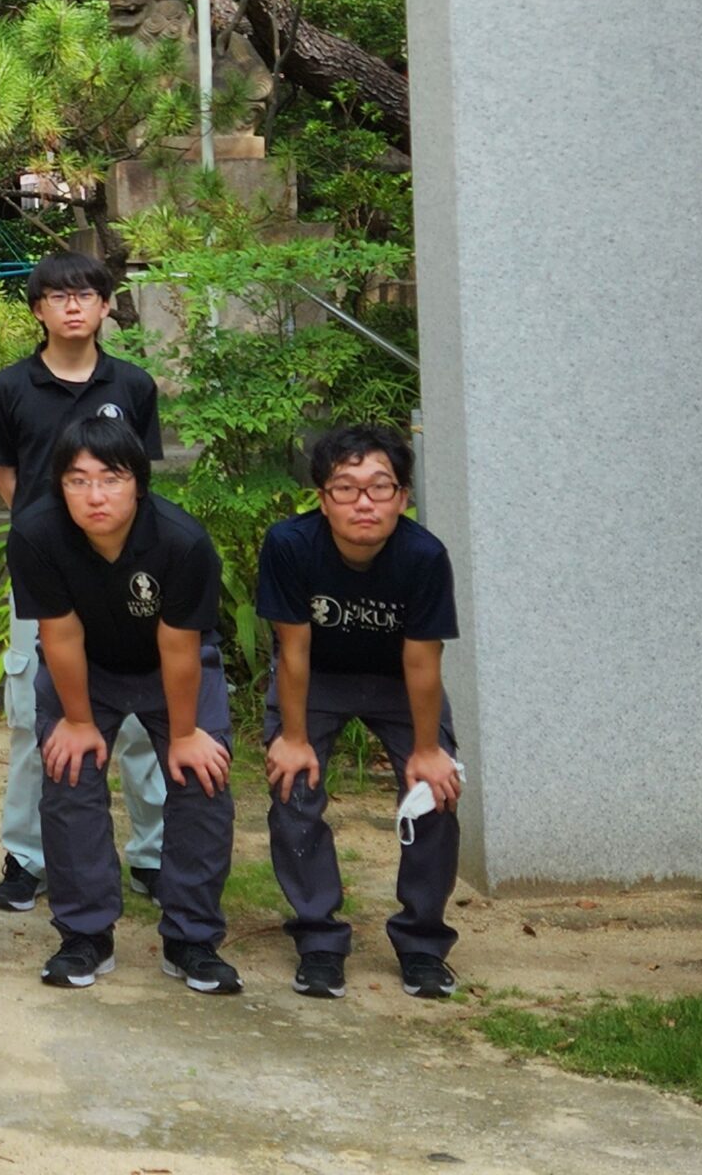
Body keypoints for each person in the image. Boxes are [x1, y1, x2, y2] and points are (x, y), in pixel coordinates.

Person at [13, 416, 240, 995]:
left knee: (202, 776)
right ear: (59, 486)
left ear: (138, 482)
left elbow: (179, 646)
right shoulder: (37, 534)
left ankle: (192, 938)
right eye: (78, 480)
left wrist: (185, 735)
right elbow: (60, 635)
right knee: (69, 772)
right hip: (85, 669)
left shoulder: (182, 541)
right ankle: (85, 934)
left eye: (111, 479)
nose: (95, 496)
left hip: (173, 669)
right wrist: (78, 721)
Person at [0, 251, 169, 915]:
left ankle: (152, 854)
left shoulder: (132, 386)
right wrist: (47, 536)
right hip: (43, 572)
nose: (73, 306)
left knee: (140, 716)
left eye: (86, 295)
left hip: (126, 569)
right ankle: (27, 858)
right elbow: (7, 475)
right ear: (39, 309)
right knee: (33, 715)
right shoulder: (9, 387)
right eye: (59, 296)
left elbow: (140, 476)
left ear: (106, 305)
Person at [259, 425, 464, 1000]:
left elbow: (423, 661)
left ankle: (422, 943)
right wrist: (292, 738)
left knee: (435, 791)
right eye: (346, 488)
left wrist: (428, 751)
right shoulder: (290, 545)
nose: (364, 502)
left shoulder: (424, 557)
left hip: (399, 682)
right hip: (316, 678)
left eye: (380, 487)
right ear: (322, 498)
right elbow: (293, 652)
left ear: (404, 496)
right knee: (293, 784)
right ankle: (319, 939)